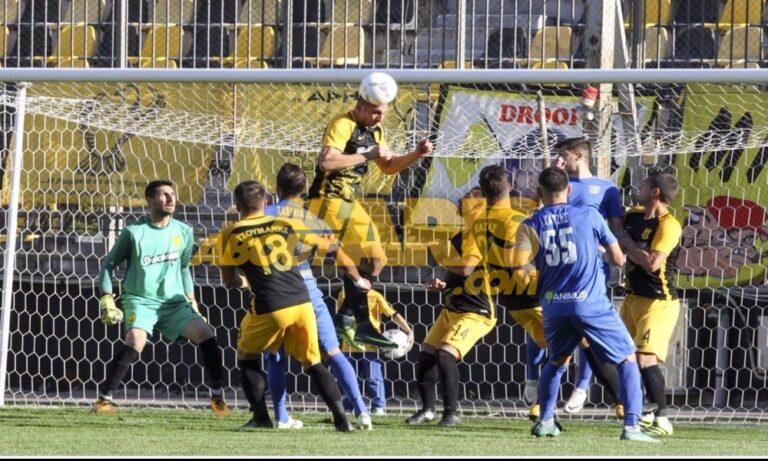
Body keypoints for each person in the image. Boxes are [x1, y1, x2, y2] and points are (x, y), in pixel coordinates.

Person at [514, 167, 657, 442]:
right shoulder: (589, 215)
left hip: (554, 306)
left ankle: (546, 421)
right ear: (569, 190)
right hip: (590, 303)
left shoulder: (529, 224)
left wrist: (546, 272)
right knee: (627, 358)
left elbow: (519, 266)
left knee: (556, 362)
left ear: (539, 193)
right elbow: (618, 259)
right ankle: (632, 426)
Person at [217, 180, 363, 432]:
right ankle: (342, 420)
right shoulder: (286, 223)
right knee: (313, 362)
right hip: (302, 302)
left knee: (247, 355)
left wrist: (246, 282)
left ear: (237, 206)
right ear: (265, 202)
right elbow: (330, 246)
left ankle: (261, 418)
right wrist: (354, 274)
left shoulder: (230, 233)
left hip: (270, 305)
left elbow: (229, 281)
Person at [306, 72, 433, 348]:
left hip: (347, 202)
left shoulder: (376, 131)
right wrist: (367, 155)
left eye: (383, 112)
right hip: (328, 199)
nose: (380, 117)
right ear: (361, 105)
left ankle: (345, 316)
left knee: (377, 261)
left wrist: (416, 154)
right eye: (375, 112)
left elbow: (387, 167)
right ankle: (362, 324)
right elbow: (326, 162)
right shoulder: (342, 124)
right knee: (356, 260)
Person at [94, 180, 230, 417]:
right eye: (164, 195)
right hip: (140, 300)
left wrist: (192, 302)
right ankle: (103, 400)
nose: (170, 199)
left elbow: (184, 268)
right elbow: (108, 264)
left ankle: (217, 398)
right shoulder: (133, 232)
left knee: (206, 333)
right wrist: (106, 298)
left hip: (174, 303)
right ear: (150, 200)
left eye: (172, 194)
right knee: (135, 341)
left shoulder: (184, 231)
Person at [262, 163, 373, 431]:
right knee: (333, 352)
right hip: (307, 291)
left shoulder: (263, 215)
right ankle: (362, 411)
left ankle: (281, 416)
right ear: (303, 189)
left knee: (275, 356)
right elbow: (338, 253)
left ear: (277, 188)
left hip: (274, 290)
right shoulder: (313, 220)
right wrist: (359, 279)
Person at [405, 165, 509, 427]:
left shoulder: (482, 232)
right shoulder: (461, 236)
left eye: (470, 196)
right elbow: (458, 273)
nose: (462, 199)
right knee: (427, 354)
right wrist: (443, 283)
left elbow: (465, 268)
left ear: (481, 205)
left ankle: (451, 413)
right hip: (453, 307)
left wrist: (437, 252)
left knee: (445, 354)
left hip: (476, 311)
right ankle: (427, 410)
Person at [548, 136, 626, 416]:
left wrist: (620, 254)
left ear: (578, 156)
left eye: (563, 154)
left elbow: (615, 229)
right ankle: (537, 387)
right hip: (560, 266)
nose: (560, 159)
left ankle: (582, 385)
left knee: (587, 326)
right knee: (553, 324)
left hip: (592, 269)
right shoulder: (560, 185)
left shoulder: (606, 190)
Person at [617, 170, 682, 436]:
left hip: (659, 301)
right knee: (623, 356)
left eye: (644, 184)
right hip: (632, 297)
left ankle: (663, 418)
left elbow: (653, 263)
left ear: (655, 191)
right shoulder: (632, 215)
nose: (639, 187)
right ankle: (641, 409)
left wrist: (625, 241)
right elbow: (612, 227)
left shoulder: (669, 225)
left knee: (645, 357)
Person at [337, 289, 414, 416]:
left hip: (370, 345)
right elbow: (340, 315)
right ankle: (349, 405)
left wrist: (409, 331)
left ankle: (378, 406)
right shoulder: (344, 293)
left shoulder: (375, 296)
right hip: (349, 345)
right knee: (350, 378)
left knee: (374, 377)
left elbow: (392, 314)